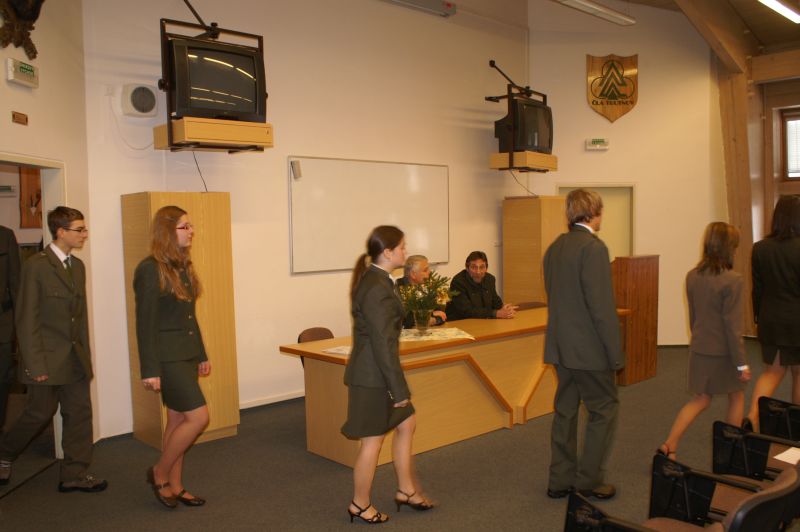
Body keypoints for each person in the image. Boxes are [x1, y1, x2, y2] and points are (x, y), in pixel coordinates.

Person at [0, 207, 106, 492]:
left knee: (79, 414)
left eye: (84, 229)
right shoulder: (36, 266)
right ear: (61, 232)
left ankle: (74, 473)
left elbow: (79, 319)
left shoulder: (77, 266)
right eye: (79, 229)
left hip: (74, 359)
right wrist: (34, 364)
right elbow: (26, 319)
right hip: (45, 358)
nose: (84, 234)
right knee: (38, 414)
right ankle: (4, 453)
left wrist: (86, 359)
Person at [342, 226, 434, 524]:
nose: (406, 252)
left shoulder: (380, 280)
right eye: (402, 247)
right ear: (388, 252)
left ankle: (406, 490)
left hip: (378, 372)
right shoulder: (376, 287)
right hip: (372, 377)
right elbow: (382, 344)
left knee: (407, 422)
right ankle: (359, 504)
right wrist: (399, 390)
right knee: (372, 441)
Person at [543, 189, 624, 501]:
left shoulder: (555, 248)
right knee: (604, 409)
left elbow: (556, 296)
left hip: (560, 347)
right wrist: (615, 354)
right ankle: (589, 480)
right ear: (593, 213)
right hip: (589, 351)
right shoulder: (594, 249)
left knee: (565, 411)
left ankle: (560, 480)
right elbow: (601, 308)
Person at [135, 205, 210, 509]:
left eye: (190, 226)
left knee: (178, 418)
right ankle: (159, 472)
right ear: (167, 231)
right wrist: (149, 369)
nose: (191, 231)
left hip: (186, 353)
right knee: (199, 417)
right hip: (167, 357)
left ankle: (174, 485)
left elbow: (189, 316)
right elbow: (145, 323)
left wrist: (201, 353)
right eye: (184, 226)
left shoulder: (181, 265)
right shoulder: (149, 268)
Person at [658, 222, 751, 460]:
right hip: (724, 352)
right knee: (737, 395)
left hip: (700, 347)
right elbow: (733, 327)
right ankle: (730, 451)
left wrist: (699, 340)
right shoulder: (733, 280)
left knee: (700, 399)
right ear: (729, 248)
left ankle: (670, 445)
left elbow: (694, 318)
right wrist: (741, 363)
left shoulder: (692, 276)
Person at [744, 195, 800, 431]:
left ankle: (753, 416)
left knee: (772, 372)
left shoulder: (760, 248)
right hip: (797, 321)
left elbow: (758, 289)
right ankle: (796, 426)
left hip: (770, 318)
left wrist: (758, 318)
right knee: (799, 374)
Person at [446, 251, 517, 320]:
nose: (478, 272)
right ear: (467, 268)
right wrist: (496, 313)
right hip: (460, 322)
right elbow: (467, 311)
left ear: (486, 268)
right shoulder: (458, 282)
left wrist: (504, 307)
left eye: (482, 267)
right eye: (474, 267)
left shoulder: (490, 279)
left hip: (483, 321)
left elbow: (496, 302)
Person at [0, 225, 20, 432]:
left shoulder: (5, 236)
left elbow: (16, 283)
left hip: (3, 325)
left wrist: (20, 328)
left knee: (3, 379)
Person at [396, 255, 447, 328]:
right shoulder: (399, 289)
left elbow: (441, 314)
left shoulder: (427, 285)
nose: (429, 272)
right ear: (413, 274)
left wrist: (430, 318)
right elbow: (407, 320)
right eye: (425, 270)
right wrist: (432, 318)